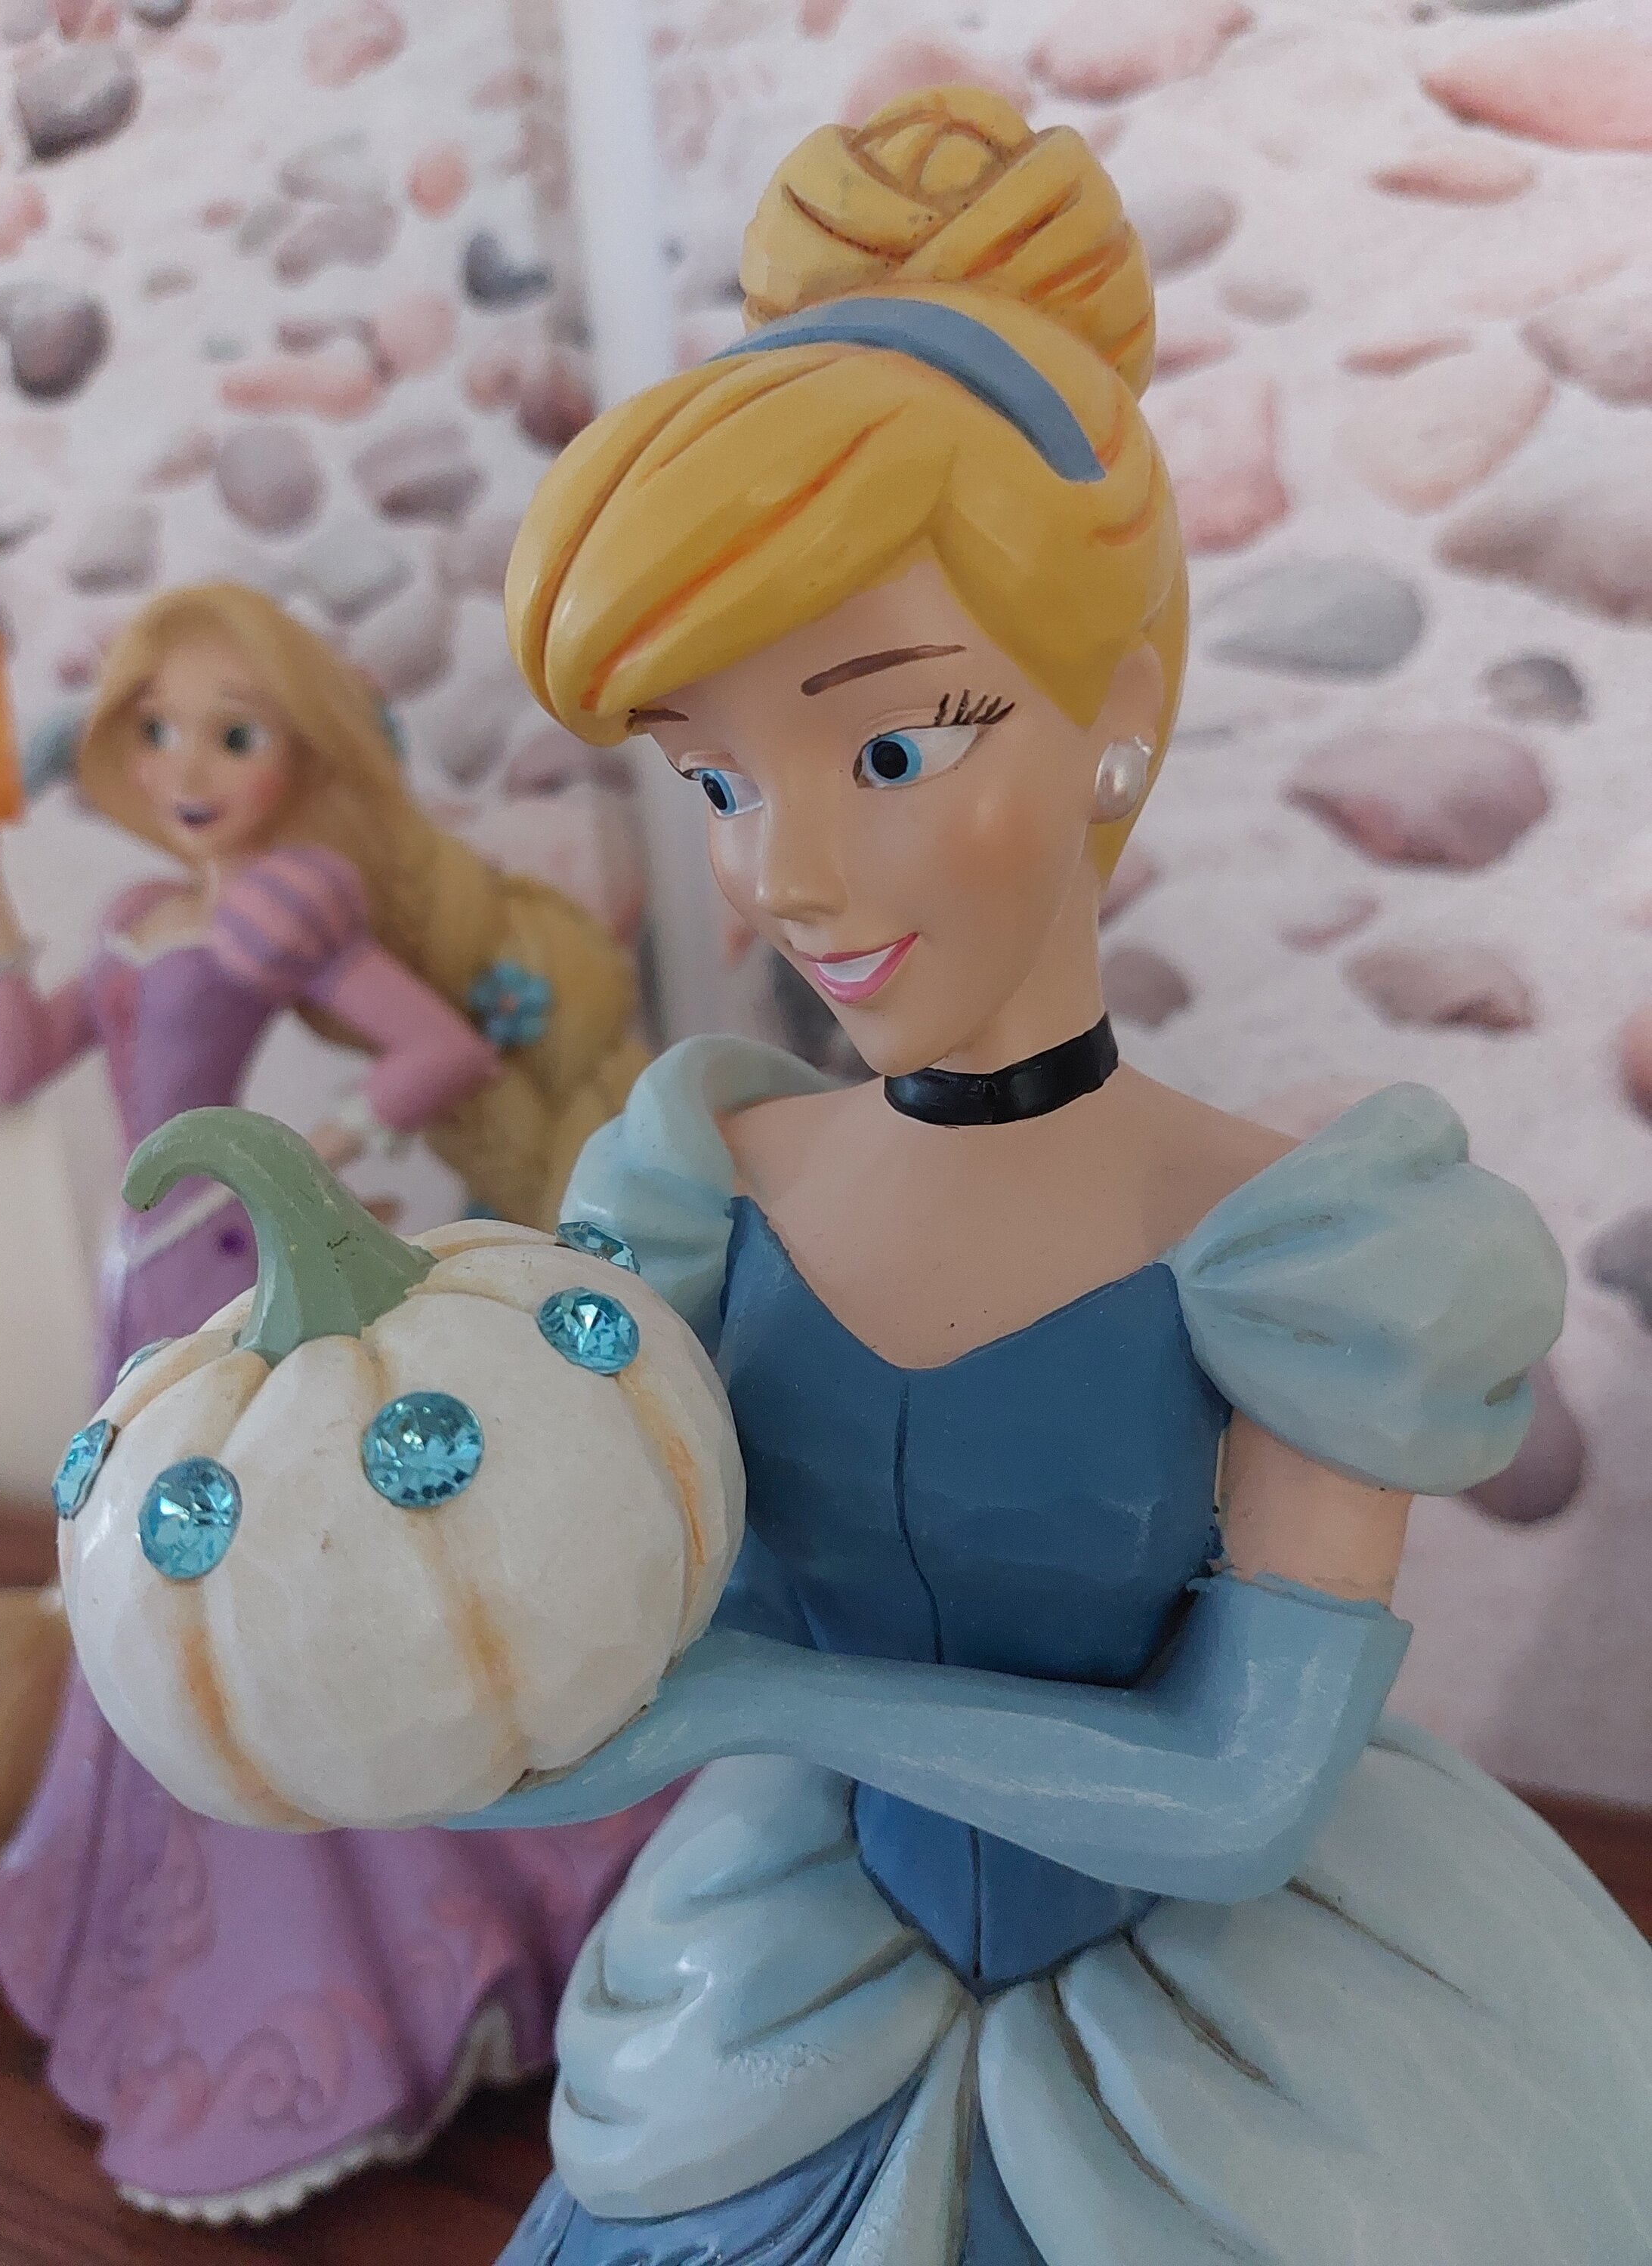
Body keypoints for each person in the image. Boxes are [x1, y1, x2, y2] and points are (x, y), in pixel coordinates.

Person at [440, 87, 1648, 2264]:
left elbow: (1239, 1795)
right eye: (715, 777)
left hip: (1236, 2064)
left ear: (1121, 714)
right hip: (789, 1985)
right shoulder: (708, 1175)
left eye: (894, 745)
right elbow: (609, 1552)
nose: (787, 873)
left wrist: (756, 1704)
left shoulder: (1305, 1250)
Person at [0, 583, 669, 2222]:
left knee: (256, 1587)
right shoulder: (140, 906)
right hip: (137, 1283)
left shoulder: (287, 906)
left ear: (300, 752)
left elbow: (437, 1052)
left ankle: (365, 1950)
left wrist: (307, 1157)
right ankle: (168, 1940)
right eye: (158, 731)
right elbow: (7, 1064)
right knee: (149, 1587)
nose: (190, 766)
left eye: (235, 732)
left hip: (229, 1262)